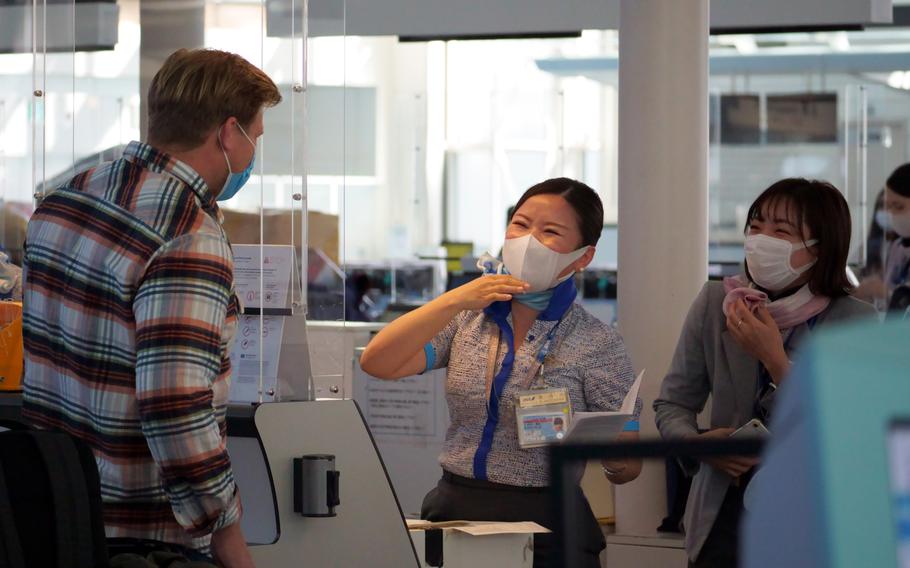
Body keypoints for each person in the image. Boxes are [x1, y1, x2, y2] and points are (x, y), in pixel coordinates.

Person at [22, 48, 281, 567]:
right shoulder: (187, 236)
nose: (253, 154)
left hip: (47, 515)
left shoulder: (65, 199)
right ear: (229, 133)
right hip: (142, 540)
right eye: (256, 135)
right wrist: (226, 534)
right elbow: (175, 407)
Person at [361, 177, 642, 568]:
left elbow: (628, 466)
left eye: (550, 232)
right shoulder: (467, 319)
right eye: (520, 224)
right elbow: (377, 362)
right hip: (455, 509)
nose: (528, 240)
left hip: (549, 521)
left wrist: (611, 453)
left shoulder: (598, 342)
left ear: (583, 257)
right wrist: (456, 297)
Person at [653, 178, 876, 568]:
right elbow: (671, 403)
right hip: (723, 514)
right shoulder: (717, 302)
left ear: (819, 248)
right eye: (755, 227)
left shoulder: (855, 322)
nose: (760, 239)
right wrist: (702, 445)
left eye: (780, 231)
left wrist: (775, 359)